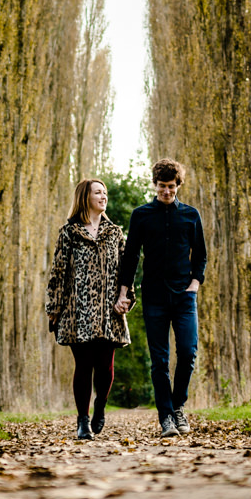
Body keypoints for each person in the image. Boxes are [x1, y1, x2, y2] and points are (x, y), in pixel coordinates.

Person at [116, 158, 206, 438]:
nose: (166, 192)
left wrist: (194, 284)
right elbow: (130, 257)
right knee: (159, 361)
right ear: (154, 185)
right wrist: (123, 291)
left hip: (184, 297)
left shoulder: (191, 215)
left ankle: (177, 406)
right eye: (162, 187)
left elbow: (200, 255)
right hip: (154, 296)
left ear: (178, 185)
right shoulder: (141, 215)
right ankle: (166, 417)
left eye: (171, 187)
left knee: (188, 353)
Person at [46, 178, 131, 440]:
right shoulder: (69, 233)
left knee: (105, 367)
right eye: (98, 192)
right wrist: (54, 309)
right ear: (85, 197)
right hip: (77, 311)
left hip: (109, 312)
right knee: (83, 365)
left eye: (105, 192)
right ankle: (82, 421)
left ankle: (100, 407)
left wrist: (127, 299)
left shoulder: (115, 232)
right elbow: (58, 272)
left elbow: (125, 271)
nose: (103, 197)